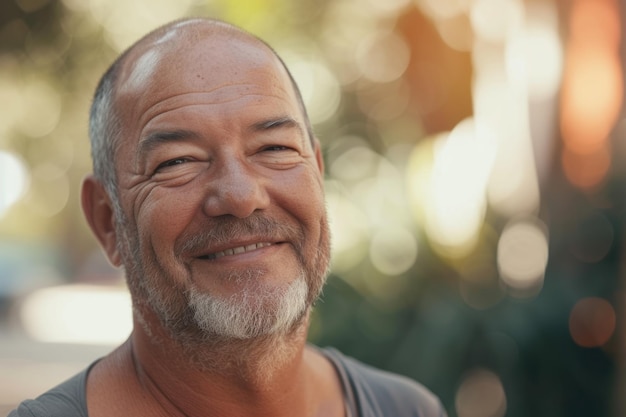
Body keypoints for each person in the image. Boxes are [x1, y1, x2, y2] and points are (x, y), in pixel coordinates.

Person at [9, 17, 447, 417]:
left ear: (317, 169)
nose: (240, 196)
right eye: (178, 161)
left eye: (274, 148)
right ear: (107, 222)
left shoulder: (406, 408)